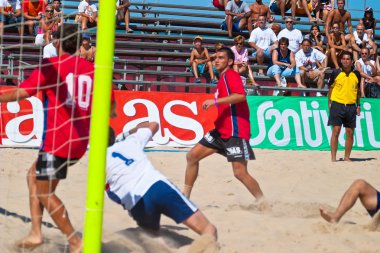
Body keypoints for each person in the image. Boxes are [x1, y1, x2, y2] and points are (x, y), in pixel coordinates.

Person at [0, 23, 113, 253]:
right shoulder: (93, 69)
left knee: (44, 192)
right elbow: (111, 108)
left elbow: (22, 93)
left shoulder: (51, 65)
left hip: (58, 139)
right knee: (33, 175)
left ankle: (74, 241)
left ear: (58, 42)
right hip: (81, 141)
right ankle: (36, 233)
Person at [105, 122, 218, 248]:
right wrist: (129, 132)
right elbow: (153, 125)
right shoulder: (130, 142)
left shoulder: (96, 163)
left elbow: (108, 195)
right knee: (209, 230)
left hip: (137, 203)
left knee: (151, 238)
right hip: (157, 187)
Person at [182, 47, 265, 205]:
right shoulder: (222, 78)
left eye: (221, 57)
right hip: (221, 130)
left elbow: (240, 95)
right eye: (215, 58)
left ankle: (263, 202)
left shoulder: (231, 75)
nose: (216, 60)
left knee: (240, 173)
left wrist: (214, 102)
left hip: (235, 131)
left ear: (230, 61)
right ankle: (184, 198)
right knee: (192, 156)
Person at [327, 51, 360, 162]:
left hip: (351, 106)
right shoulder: (335, 72)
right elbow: (330, 88)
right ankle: (333, 158)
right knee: (336, 131)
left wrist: (358, 105)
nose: (346, 61)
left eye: (348, 59)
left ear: (351, 61)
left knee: (350, 133)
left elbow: (357, 91)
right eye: (344, 59)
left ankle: (347, 157)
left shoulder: (356, 74)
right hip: (337, 104)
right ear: (341, 60)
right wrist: (329, 102)